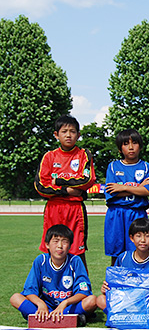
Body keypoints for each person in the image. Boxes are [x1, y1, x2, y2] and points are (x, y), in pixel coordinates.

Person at [34, 115, 96, 269]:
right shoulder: (49, 157)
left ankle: (82, 284)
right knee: (52, 249)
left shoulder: (83, 154)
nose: (68, 135)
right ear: (56, 135)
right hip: (54, 209)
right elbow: (41, 186)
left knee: (77, 251)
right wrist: (66, 190)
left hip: (75, 210)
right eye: (64, 131)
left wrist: (59, 181)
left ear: (78, 135)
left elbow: (87, 179)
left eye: (72, 131)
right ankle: (50, 283)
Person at [10, 224, 97, 323]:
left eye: (65, 242)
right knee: (15, 298)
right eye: (55, 241)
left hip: (67, 307)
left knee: (92, 300)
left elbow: (84, 292)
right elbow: (29, 291)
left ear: (70, 246)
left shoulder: (75, 261)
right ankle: (67, 318)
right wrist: (40, 304)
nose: (60, 246)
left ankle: (45, 319)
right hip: (45, 307)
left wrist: (65, 303)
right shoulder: (41, 261)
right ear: (47, 244)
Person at [97, 218, 149, 327]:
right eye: (138, 236)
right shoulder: (123, 258)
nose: (143, 240)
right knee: (100, 300)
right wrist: (106, 288)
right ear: (131, 238)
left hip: (147, 304)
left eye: (147, 236)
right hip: (125, 303)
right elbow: (114, 282)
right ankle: (135, 318)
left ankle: (126, 318)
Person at [104, 129, 149, 265]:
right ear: (120, 148)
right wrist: (139, 188)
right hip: (116, 214)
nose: (131, 147)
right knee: (116, 254)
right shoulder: (113, 166)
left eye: (135, 143)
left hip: (137, 214)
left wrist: (123, 187)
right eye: (126, 144)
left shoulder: (146, 167)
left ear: (141, 146)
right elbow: (112, 192)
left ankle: (138, 279)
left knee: (139, 252)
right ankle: (115, 278)